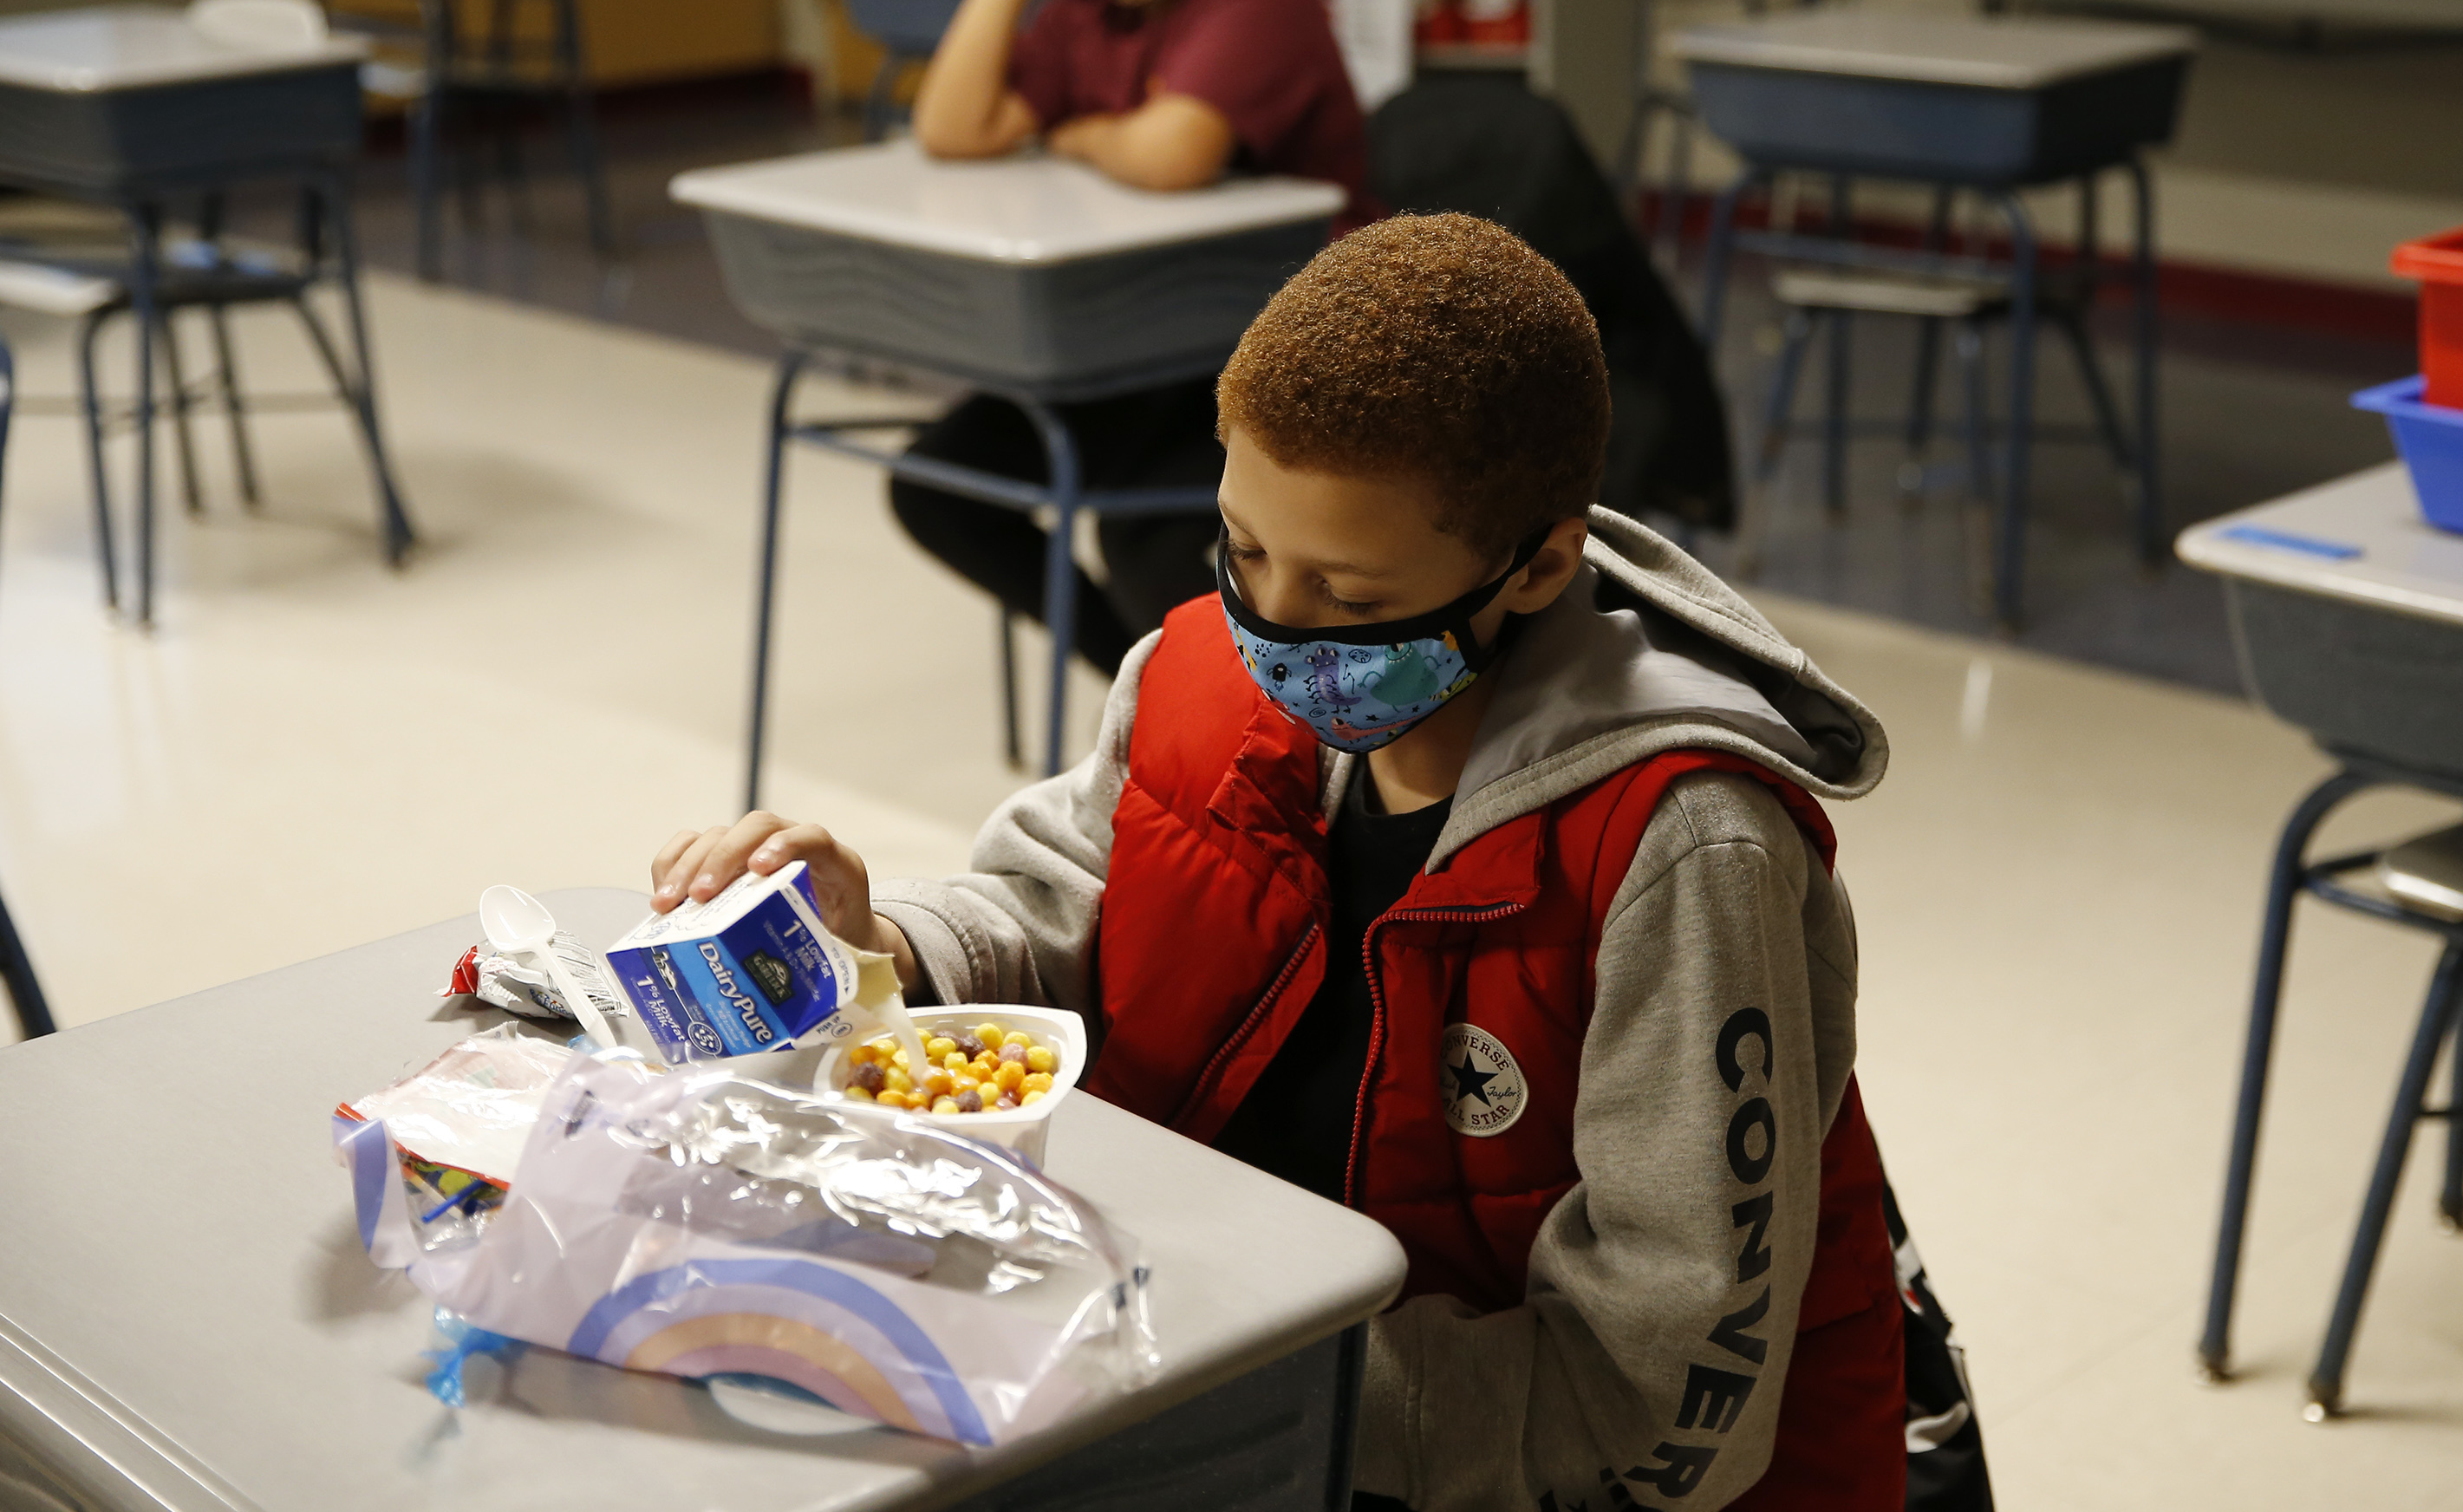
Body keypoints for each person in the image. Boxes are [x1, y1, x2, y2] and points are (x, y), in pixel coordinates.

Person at [652, 213, 1909, 1511]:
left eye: (1353, 599)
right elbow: (1067, 905)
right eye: (1243, 548)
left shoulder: (1681, 847)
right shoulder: (1195, 672)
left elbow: (1647, 1399)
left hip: (1489, 1455)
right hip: (1242, 1366)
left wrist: (1214, 1358)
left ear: (1535, 563)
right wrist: (894, 948)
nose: (1273, 627)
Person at [900, 0, 1371, 675]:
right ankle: (1144, 689)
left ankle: (1260, 733)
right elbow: (952, 128)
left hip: (1280, 353)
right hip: (1135, 338)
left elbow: (1171, 154)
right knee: (936, 487)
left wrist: (1070, 133)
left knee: (1148, 547)